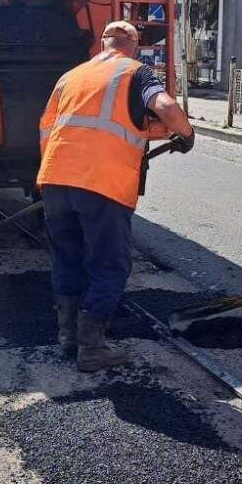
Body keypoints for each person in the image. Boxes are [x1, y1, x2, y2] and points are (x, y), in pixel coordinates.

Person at [37, 20, 195, 372]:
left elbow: (46, 128)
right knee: (110, 264)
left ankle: (68, 338)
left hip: (55, 181)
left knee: (67, 257)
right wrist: (186, 132)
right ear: (134, 46)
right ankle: (91, 350)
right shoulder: (136, 73)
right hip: (101, 185)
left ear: (103, 43)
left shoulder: (71, 77)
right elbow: (166, 107)